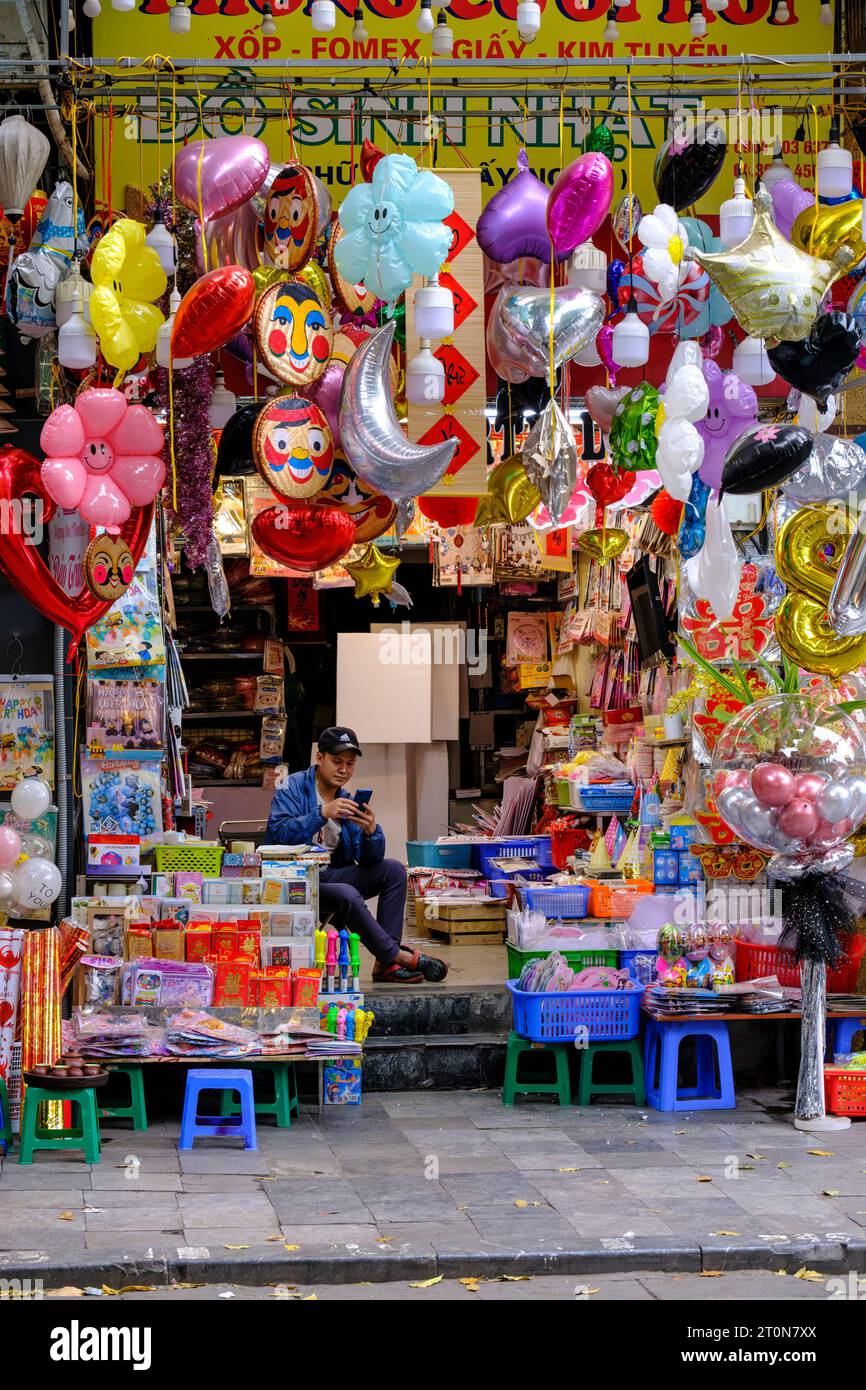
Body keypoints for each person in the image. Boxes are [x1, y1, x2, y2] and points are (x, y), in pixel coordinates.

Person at [266, 727, 447, 984]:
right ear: (319, 758)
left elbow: (368, 862)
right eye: (337, 762)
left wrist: (372, 832)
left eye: (350, 764)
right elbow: (277, 832)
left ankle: (386, 964)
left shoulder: (347, 800)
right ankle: (396, 956)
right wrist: (322, 813)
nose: (343, 770)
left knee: (394, 870)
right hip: (297, 880)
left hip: (330, 875)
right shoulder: (291, 786)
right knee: (347, 893)